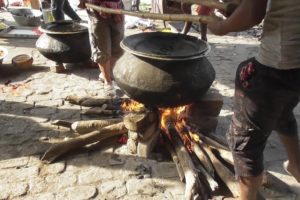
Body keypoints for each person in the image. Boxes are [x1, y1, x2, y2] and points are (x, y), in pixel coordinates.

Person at [208, 0, 300, 199]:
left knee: (244, 143)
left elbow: (253, 12)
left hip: (278, 63)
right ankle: (295, 165)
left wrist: (220, 27)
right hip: (296, 67)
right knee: (282, 111)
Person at [84, 0, 124, 95]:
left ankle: (108, 73)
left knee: (117, 45)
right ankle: (108, 81)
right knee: (102, 46)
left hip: (117, 7)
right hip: (96, 9)